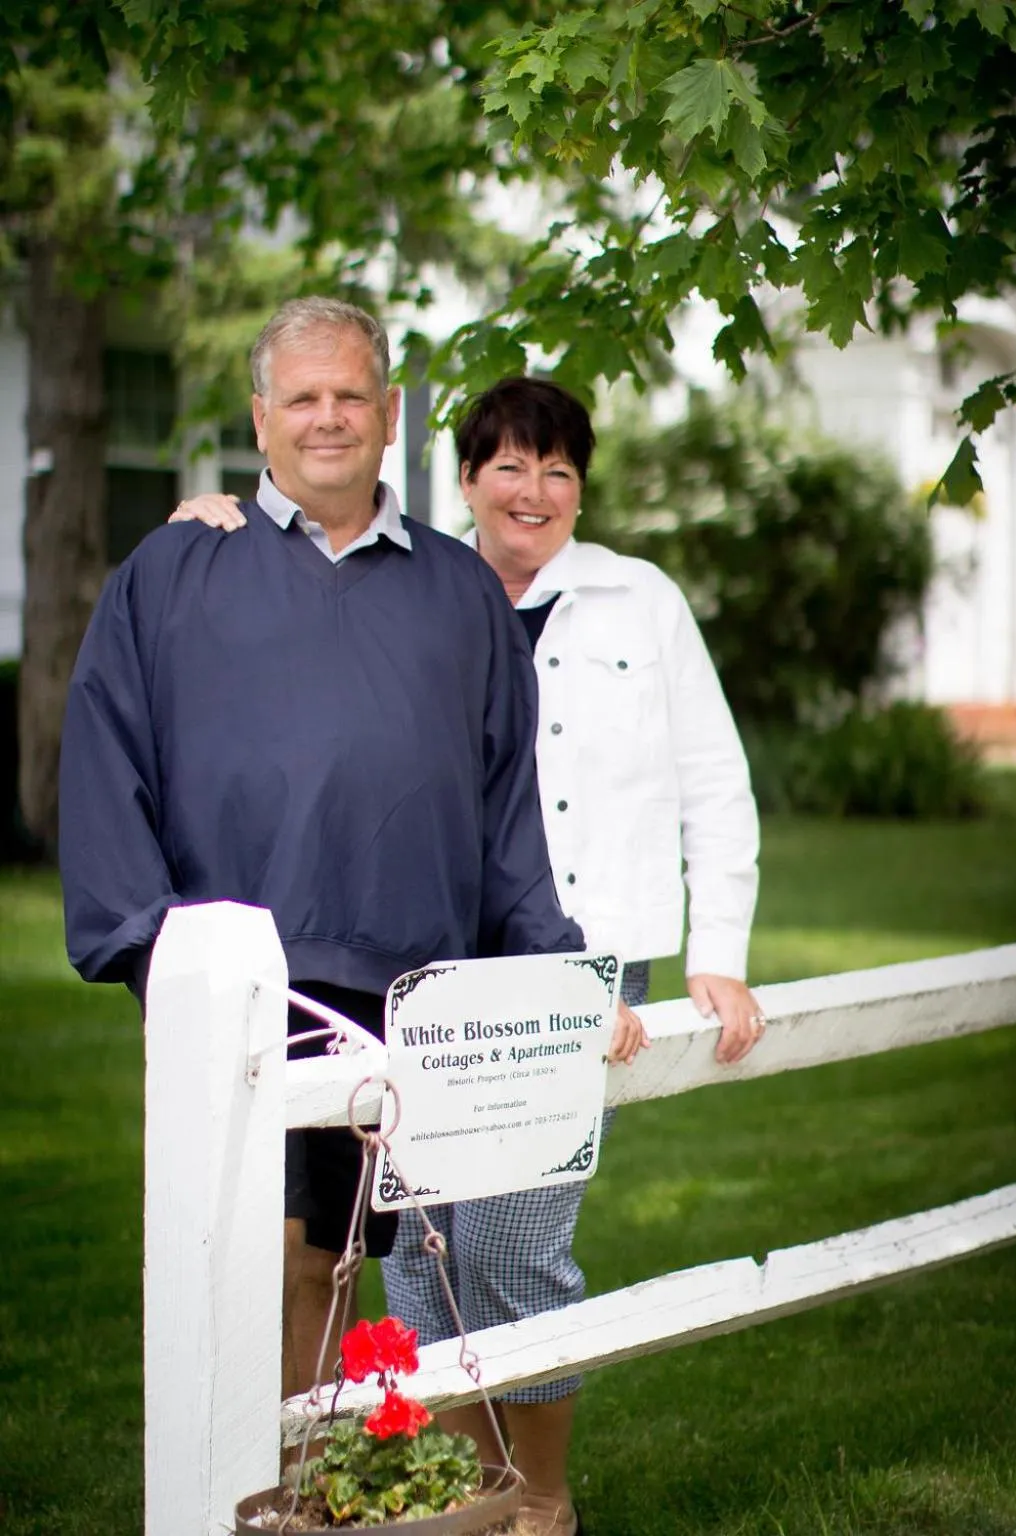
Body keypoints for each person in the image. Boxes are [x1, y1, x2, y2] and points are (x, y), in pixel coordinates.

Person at [171, 375, 764, 1535]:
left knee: (512, 1238)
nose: (531, 490)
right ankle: (466, 1493)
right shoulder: (417, 587)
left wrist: (722, 947)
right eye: (507, 465)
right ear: (471, 479)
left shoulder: (639, 602)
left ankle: (539, 1495)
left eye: (556, 469)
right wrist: (213, 523)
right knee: (417, 1238)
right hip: (434, 963)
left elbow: (713, 781)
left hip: (582, 966)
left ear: (580, 487)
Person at [58, 303, 586, 1406]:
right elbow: (107, 770)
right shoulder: (172, 576)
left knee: (349, 1263)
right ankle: (265, 1497)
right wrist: (156, 956)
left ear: (391, 414)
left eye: (351, 394)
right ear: (261, 419)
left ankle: (331, 1490)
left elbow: (505, 811)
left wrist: (551, 970)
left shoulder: (460, 595)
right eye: (302, 397)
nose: (329, 417)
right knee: (249, 1260)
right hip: (242, 984)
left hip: (401, 982)